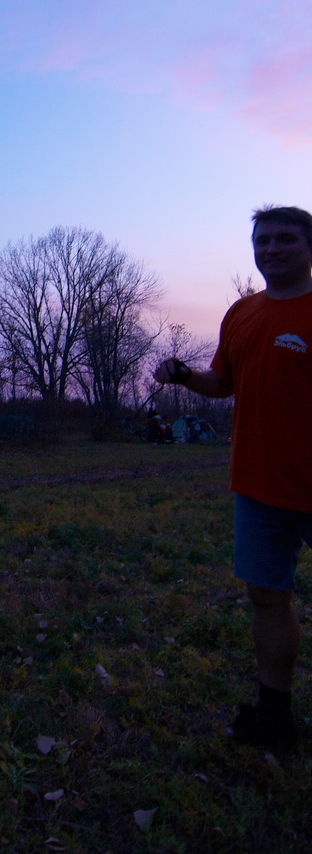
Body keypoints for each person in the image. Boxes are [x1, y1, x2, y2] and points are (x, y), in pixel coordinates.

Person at [154, 205, 312, 750]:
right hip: (258, 485)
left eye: (285, 239)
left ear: (309, 248)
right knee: (267, 600)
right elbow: (224, 382)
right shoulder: (242, 313)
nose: (271, 249)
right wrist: (184, 376)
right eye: (263, 240)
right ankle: (274, 716)